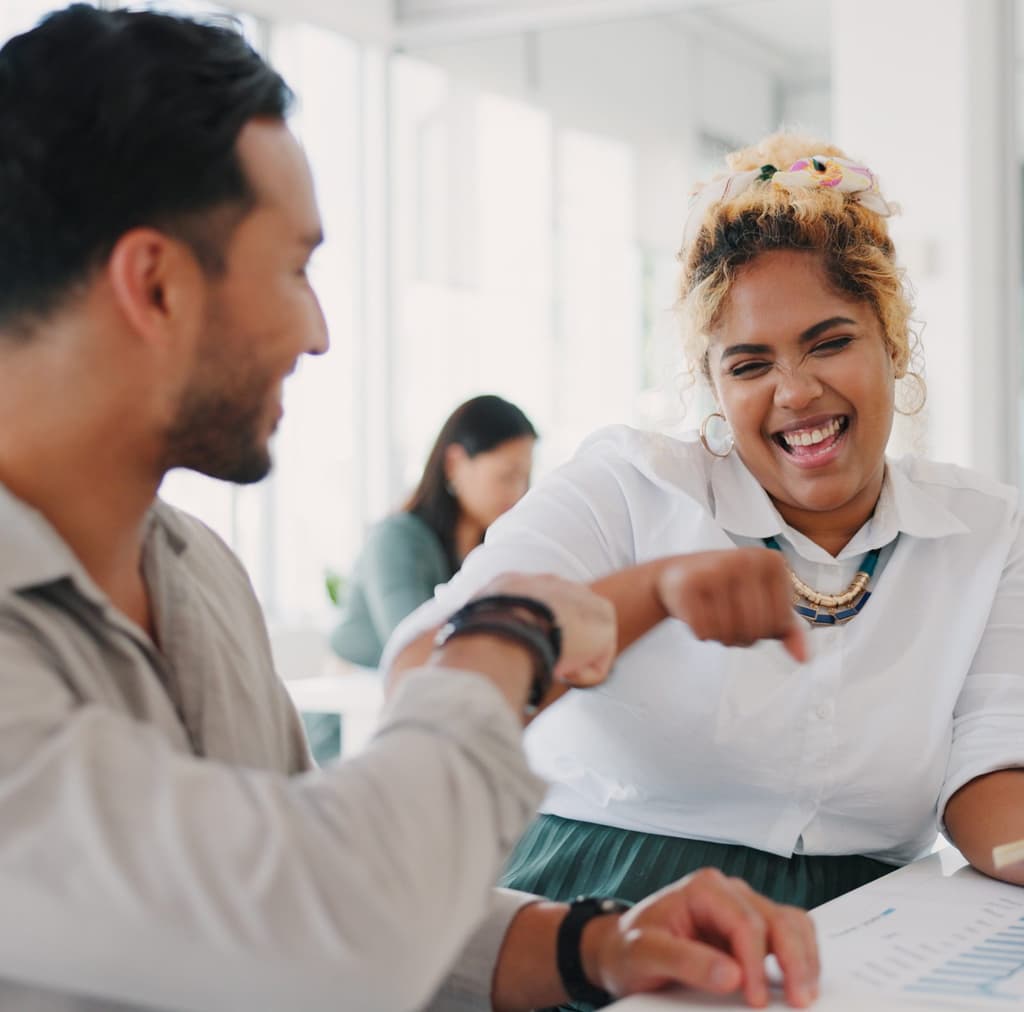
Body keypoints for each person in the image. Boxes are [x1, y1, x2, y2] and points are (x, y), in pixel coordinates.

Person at [0, 8, 821, 1011]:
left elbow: (306, 882)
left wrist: (596, 944)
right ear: (156, 286)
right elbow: (340, 918)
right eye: (296, 269)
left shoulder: (195, 569)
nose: (319, 331)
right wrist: (509, 630)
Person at [384, 133, 1024, 915]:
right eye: (750, 365)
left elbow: (991, 779)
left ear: (892, 343)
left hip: (866, 921)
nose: (793, 392)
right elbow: (425, 670)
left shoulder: (989, 530)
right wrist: (648, 592)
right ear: (714, 387)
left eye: (830, 343)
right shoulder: (626, 487)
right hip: (600, 903)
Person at [330, 394, 536, 668]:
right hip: (353, 698)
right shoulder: (396, 538)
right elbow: (414, 645)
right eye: (507, 476)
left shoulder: (491, 546)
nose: (519, 493)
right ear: (454, 463)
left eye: (526, 479)